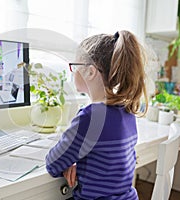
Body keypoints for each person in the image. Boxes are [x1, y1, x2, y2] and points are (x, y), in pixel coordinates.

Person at [45, 30, 148, 200]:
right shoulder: (127, 111)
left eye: (75, 66)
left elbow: (53, 164)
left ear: (90, 72)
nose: (72, 72)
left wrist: (69, 161)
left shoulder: (90, 118)